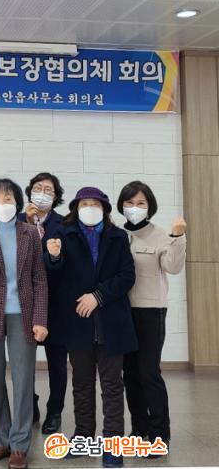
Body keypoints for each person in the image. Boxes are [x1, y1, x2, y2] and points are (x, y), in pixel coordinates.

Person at [44, 187, 137, 469]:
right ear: (76, 207)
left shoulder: (117, 236)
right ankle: (83, 436)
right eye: (84, 203)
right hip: (77, 321)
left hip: (111, 321)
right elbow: (52, 276)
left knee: (112, 386)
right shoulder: (62, 234)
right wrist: (53, 257)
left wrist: (98, 296)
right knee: (82, 384)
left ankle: (113, 444)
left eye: (95, 204)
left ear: (105, 209)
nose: (90, 208)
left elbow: (127, 276)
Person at [0, 179, 48, 469]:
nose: (3, 204)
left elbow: (39, 278)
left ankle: (20, 444)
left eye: (8, 199)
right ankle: (0, 439)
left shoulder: (30, 233)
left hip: (22, 314)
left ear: (17, 202)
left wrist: (40, 319)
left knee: (24, 378)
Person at [118, 181, 186, 454]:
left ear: (150, 207)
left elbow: (173, 266)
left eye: (141, 203)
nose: (134, 208)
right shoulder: (118, 234)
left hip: (150, 310)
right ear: (122, 205)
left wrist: (178, 236)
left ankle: (160, 434)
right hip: (123, 312)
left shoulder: (159, 234)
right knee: (130, 374)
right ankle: (139, 428)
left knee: (148, 373)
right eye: (130, 203)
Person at [17, 173, 66, 433]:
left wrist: (53, 258)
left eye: (48, 190)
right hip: (24, 301)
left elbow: (65, 262)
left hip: (56, 301)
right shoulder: (16, 220)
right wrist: (27, 223)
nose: (42, 193)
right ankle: (29, 404)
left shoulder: (64, 224)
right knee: (24, 360)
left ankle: (55, 411)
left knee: (57, 362)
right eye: (38, 188)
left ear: (56, 197)